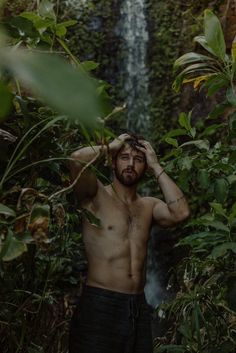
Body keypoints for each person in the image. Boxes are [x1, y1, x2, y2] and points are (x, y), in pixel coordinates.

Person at [69, 133, 190, 353]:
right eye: (124, 157)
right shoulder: (94, 196)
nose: (131, 164)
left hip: (138, 308)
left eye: (139, 160)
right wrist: (112, 146)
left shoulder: (149, 206)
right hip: (100, 304)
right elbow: (76, 159)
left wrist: (156, 165)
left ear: (145, 167)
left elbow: (181, 212)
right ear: (113, 162)